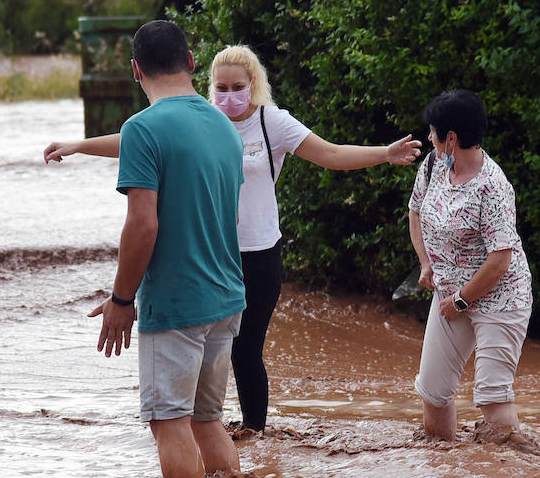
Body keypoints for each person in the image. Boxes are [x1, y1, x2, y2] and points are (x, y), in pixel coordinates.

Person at [46, 44, 421, 434]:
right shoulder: (205, 119)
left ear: (253, 85)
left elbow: (331, 153)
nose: (228, 95)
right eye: (220, 87)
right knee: (208, 344)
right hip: (215, 251)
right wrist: (80, 147)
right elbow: (138, 142)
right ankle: (200, 426)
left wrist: (385, 153)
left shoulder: (272, 123)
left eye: (236, 87)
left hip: (259, 253)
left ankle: (253, 433)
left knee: (246, 350)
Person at [87, 19, 246, 478]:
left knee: (170, 422)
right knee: (207, 420)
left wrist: (121, 299)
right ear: (193, 63)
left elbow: (143, 224)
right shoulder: (223, 124)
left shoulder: (142, 129)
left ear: (135, 71)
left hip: (177, 305)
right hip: (227, 297)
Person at [407, 89, 534, 442]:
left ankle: (515, 477)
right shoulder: (433, 166)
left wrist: (462, 299)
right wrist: (426, 263)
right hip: (450, 295)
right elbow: (415, 211)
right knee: (433, 392)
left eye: (433, 133)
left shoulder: (492, 186)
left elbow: (500, 259)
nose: (428, 139)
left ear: (451, 138)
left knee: (492, 396)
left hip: (500, 298)